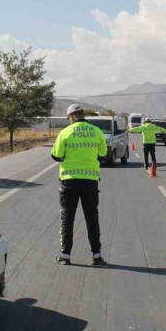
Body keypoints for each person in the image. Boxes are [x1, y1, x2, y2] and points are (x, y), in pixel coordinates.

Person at [50, 104, 109, 267]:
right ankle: (97, 256)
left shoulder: (65, 132)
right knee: (92, 217)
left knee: (67, 217)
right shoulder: (97, 132)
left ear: (70, 117)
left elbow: (56, 155)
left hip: (69, 181)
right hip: (90, 180)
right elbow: (103, 154)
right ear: (83, 115)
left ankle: (65, 255)